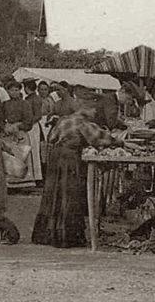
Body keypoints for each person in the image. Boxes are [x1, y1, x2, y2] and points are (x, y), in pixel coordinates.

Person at [31, 105, 126, 248]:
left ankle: (47, 233)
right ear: (85, 108)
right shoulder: (83, 123)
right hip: (69, 158)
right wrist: (122, 142)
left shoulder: (64, 119)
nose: (95, 112)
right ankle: (66, 237)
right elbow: (101, 139)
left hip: (56, 157)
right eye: (93, 109)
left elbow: (52, 137)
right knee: (69, 194)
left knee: (53, 193)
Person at [2, 80, 43, 185]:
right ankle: (11, 182)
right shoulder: (5, 104)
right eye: (11, 90)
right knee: (11, 156)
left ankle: (24, 182)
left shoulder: (25, 104)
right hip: (9, 133)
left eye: (16, 90)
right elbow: (0, 118)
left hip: (21, 133)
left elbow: (28, 120)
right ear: (8, 91)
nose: (14, 92)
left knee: (22, 156)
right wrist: (5, 126)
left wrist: (19, 126)